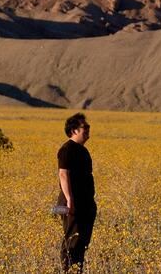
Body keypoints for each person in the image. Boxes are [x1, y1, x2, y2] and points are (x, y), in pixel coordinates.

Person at [56, 112, 95, 272]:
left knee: (81, 242)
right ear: (73, 130)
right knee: (72, 240)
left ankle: (77, 269)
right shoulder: (67, 149)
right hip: (70, 204)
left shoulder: (82, 150)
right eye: (84, 127)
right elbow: (63, 174)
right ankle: (68, 270)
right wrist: (69, 200)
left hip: (84, 204)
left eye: (88, 127)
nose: (87, 130)